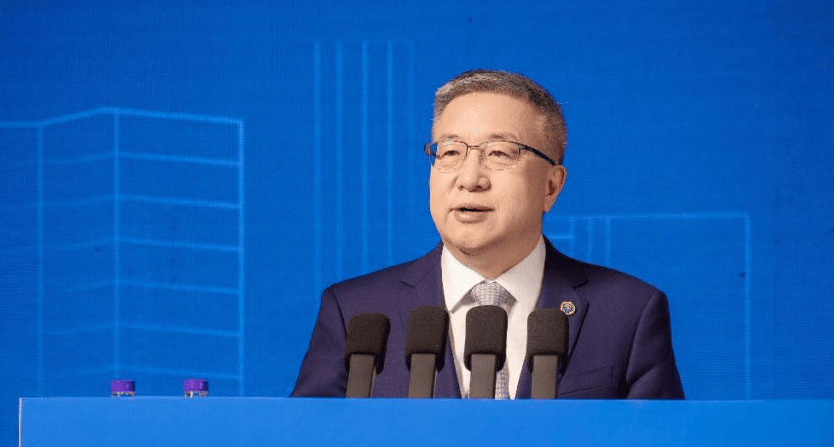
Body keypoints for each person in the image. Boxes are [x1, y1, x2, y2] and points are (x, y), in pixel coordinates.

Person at [292, 69, 684, 399]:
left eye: (499, 153)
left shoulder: (628, 312)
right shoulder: (356, 314)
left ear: (551, 186)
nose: (470, 179)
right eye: (450, 152)